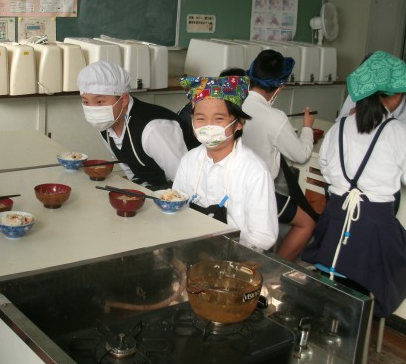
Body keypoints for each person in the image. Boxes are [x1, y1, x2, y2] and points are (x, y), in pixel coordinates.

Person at [302, 51, 406, 318]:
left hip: (333, 223)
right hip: (375, 230)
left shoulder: (339, 127)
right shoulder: (397, 132)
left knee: (331, 285)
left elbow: (326, 167)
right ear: (395, 96)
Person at [173, 75, 278, 250]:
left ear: (239, 123)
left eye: (219, 119)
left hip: (234, 257)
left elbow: (262, 237)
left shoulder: (254, 171)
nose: (208, 126)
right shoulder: (189, 160)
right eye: (200, 119)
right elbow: (177, 206)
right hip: (191, 248)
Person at [241, 49, 318, 262]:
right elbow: (301, 155)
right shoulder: (276, 117)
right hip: (259, 194)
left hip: (231, 186)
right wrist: (308, 128)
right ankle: (275, 269)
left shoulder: (235, 103)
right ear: (280, 87)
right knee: (307, 222)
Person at [76, 61, 198, 191]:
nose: (93, 109)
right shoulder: (106, 123)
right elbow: (131, 171)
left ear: (123, 100)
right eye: (86, 102)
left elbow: (184, 180)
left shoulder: (153, 129)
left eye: (100, 101)